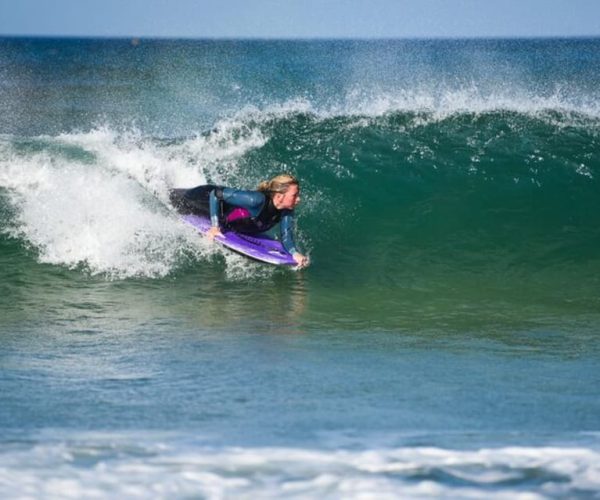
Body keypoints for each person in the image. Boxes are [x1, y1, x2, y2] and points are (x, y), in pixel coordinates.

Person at [169, 174, 309, 267]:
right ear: (279, 196)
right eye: (295, 195)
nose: (299, 199)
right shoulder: (256, 200)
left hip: (218, 210)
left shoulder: (286, 211)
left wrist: (295, 253)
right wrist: (215, 226)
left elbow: (286, 236)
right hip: (203, 198)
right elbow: (216, 194)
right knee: (171, 198)